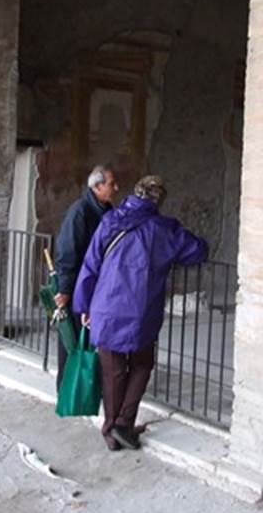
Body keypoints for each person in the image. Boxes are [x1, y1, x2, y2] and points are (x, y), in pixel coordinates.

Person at [73, 175, 208, 451]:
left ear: (135, 194)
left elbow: (90, 264)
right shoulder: (164, 229)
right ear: (159, 200)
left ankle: (112, 430)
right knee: (142, 364)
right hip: (140, 311)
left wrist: (84, 305)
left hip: (105, 307)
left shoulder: (110, 221)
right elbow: (196, 251)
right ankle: (122, 424)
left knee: (113, 371)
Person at [53, 165, 118, 390]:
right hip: (80, 284)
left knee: (91, 338)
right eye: (111, 184)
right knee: (73, 340)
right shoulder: (80, 211)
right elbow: (67, 250)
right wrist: (65, 289)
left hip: (97, 284)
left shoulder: (107, 210)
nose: (116, 188)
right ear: (98, 186)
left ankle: (87, 387)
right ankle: (68, 388)